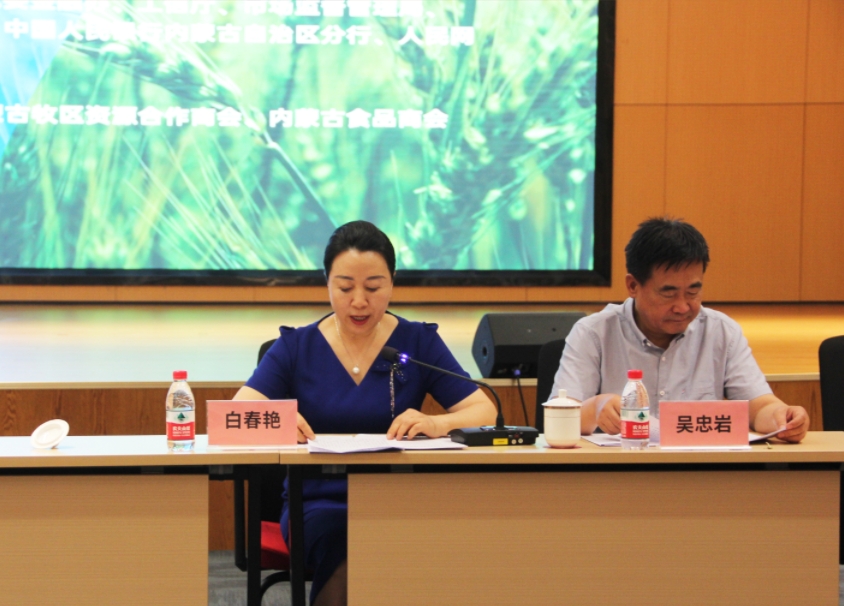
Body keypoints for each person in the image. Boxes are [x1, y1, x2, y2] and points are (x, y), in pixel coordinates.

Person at [233, 220, 497, 606]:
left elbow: (484, 409)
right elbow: (238, 412)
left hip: (399, 499)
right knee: (345, 541)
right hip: (317, 503)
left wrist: (436, 422)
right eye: (345, 288)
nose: (359, 301)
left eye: (373, 288)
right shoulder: (296, 346)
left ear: (392, 283)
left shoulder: (417, 342)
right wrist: (279, 420)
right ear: (327, 283)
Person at [551, 217, 809, 443]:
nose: (683, 306)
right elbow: (559, 416)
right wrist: (596, 407)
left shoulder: (722, 332)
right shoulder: (593, 333)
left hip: (699, 472)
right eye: (669, 293)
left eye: (693, 292)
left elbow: (759, 406)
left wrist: (781, 417)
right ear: (633, 286)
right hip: (618, 471)